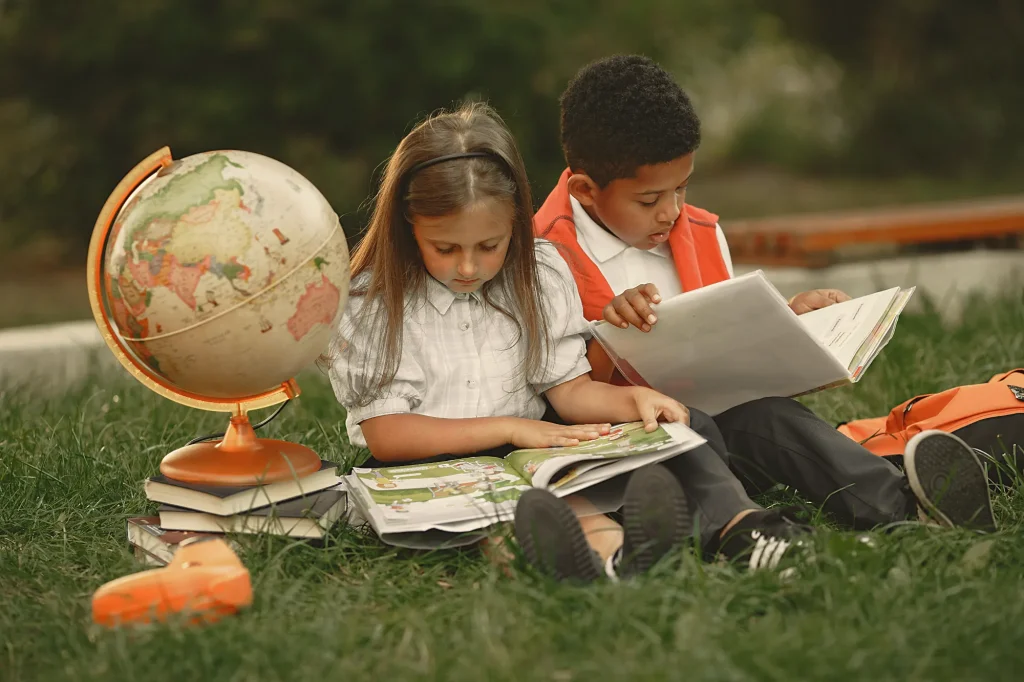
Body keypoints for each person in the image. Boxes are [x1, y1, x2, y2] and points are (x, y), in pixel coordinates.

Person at [533, 54, 997, 570]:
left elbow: (730, 341)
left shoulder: (701, 234)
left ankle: (906, 506)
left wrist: (791, 325)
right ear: (585, 192)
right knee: (692, 425)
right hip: (623, 453)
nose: (670, 211)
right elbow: (558, 389)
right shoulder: (543, 260)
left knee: (770, 417)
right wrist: (612, 333)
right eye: (649, 200)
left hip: (716, 428)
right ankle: (751, 533)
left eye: (682, 189)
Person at [325, 101, 695, 582]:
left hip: (523, 455)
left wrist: (634, 400)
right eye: (445, 248)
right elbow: (387, 434)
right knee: (498, 517)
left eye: (489, 246)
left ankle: (621, 559)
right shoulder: (373, 301)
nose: (467, 267)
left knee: (569, 500)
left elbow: (570, 390)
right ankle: (558, 565)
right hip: (422, 463)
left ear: (516, 226)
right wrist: (510, 428)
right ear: (407, 226)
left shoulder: (539, 275)